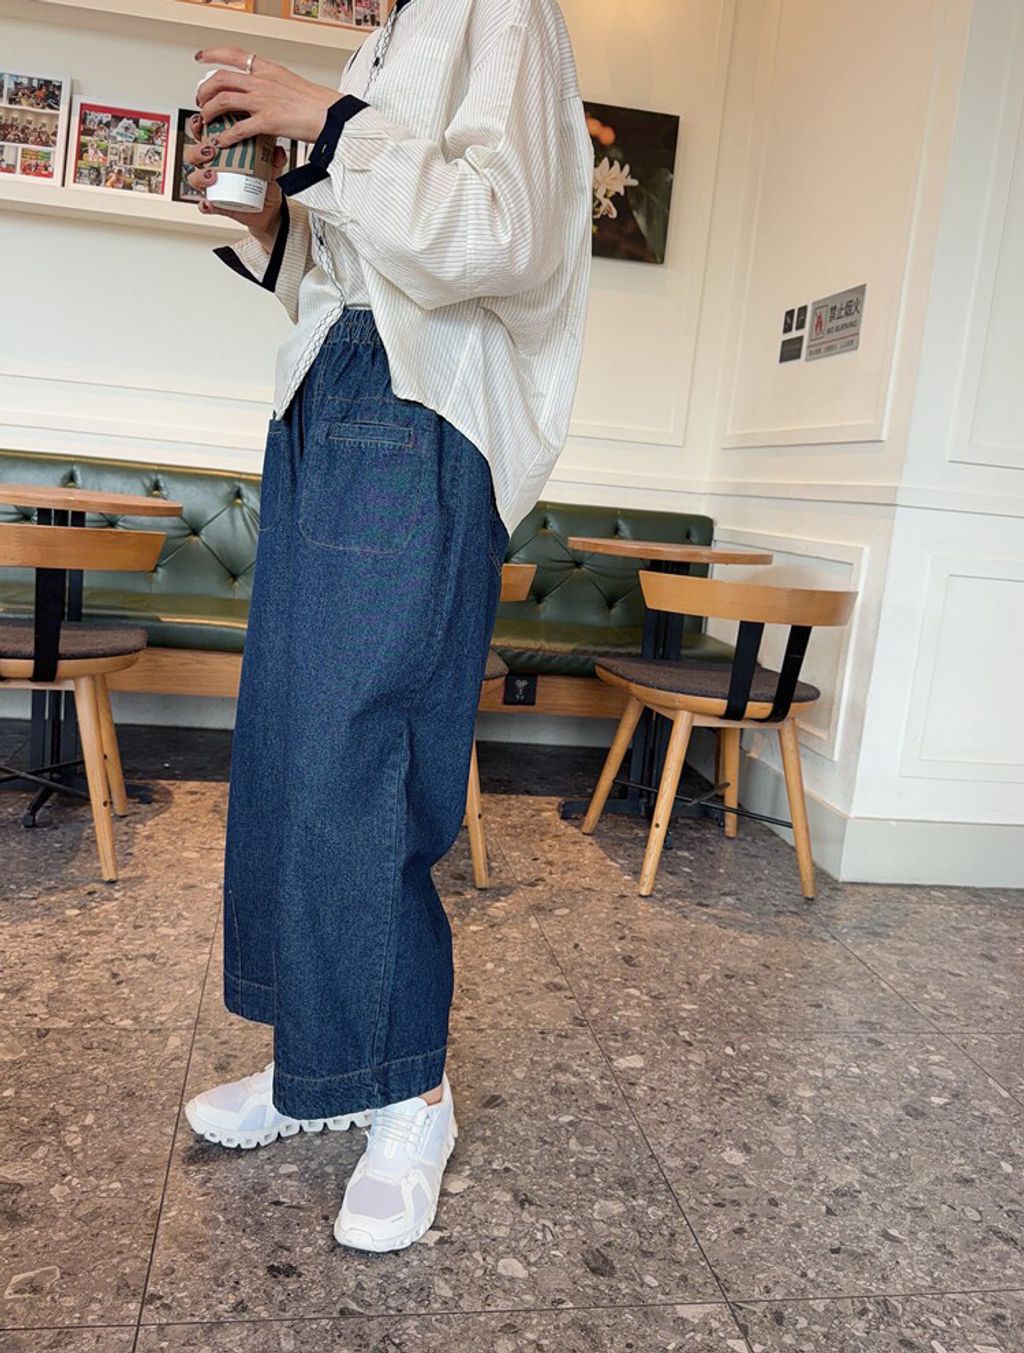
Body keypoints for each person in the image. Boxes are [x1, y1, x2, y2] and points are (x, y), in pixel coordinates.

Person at [180, 0, 591, 1254]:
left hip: (419, 413)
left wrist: (328, 121)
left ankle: (409, 1093)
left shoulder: (499, 10)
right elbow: (360, 265)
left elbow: (503, 234)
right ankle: (321, 1065)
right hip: (328, 390)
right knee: (290, 755)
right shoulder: (389, 35)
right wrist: (276, 219)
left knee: (364, 761)